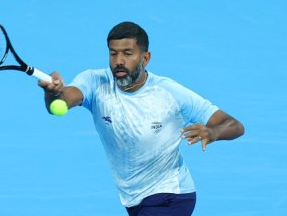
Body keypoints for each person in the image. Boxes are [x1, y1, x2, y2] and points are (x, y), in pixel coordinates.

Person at [38, 21, 244, 216]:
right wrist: (53, 92)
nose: (119, 61)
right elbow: (63, 102)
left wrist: (212, 132)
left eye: (127, 54)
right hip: (134, 199)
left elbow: (234, 125)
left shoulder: (168, 92)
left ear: (145, 58)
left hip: (170, 196)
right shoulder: (94, 82)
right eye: (113, 53)